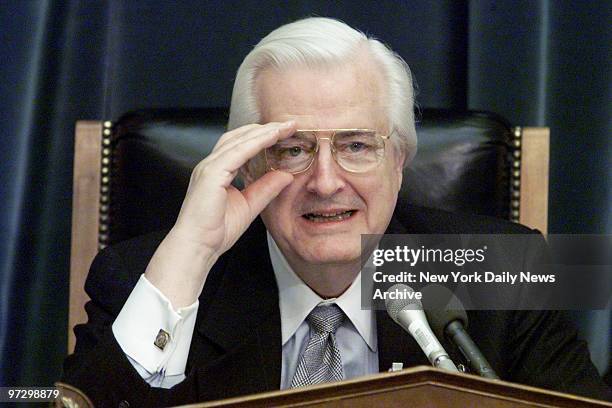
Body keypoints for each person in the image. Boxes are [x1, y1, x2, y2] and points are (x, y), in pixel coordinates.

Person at [62, 17, 611, 406]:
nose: (326, 182)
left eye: (356, 145)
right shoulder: (149, 280)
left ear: (398, 159)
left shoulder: (502, 272)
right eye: (294, 149)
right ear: (249, 166)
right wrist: (190, 254)